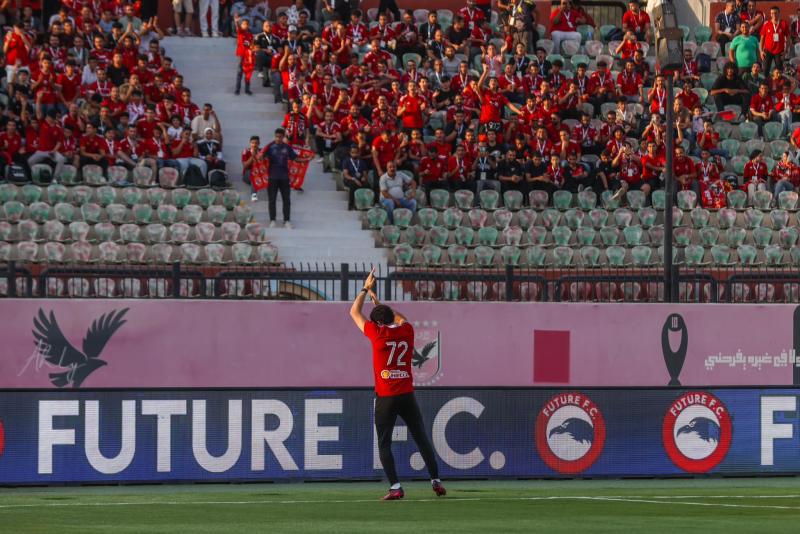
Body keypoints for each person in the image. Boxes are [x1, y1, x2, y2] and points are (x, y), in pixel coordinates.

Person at [349, 268, 446, 501]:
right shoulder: (407, 331)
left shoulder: (377, 333)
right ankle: (436, 481)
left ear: (378, 322)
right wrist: (378, 301)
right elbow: (398, 319)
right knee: (421, 436)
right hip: (407, 394)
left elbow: (354, 311)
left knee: (384, 443)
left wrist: (365, 288)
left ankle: (395, 487)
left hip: (386, 396)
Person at [261, 128, 310, 228]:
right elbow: (261, 158)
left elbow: (295, 158)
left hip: (284, 177)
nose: (278, 139)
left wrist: (307, 159)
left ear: (283, 137)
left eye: (280, 137)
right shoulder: (269, 147)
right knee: (272, 199)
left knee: (286, 199)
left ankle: (287, 220)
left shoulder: (287, 148)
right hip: (272, 177)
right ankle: (272, 220)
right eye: (276, 137)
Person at [759, 6, 789, 76]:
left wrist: (785, 51)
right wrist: (761, 51)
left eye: (775, 13)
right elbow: (762, 39)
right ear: (770, 14)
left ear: (779, 13)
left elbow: (788, 39)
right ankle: (765, 85)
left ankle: (779, 86)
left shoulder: (783, 24)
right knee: (765, 70)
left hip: (779, 51)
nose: (774, 15)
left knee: (779, 71)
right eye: (772, 13)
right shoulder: (766, 25)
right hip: (768, 51)